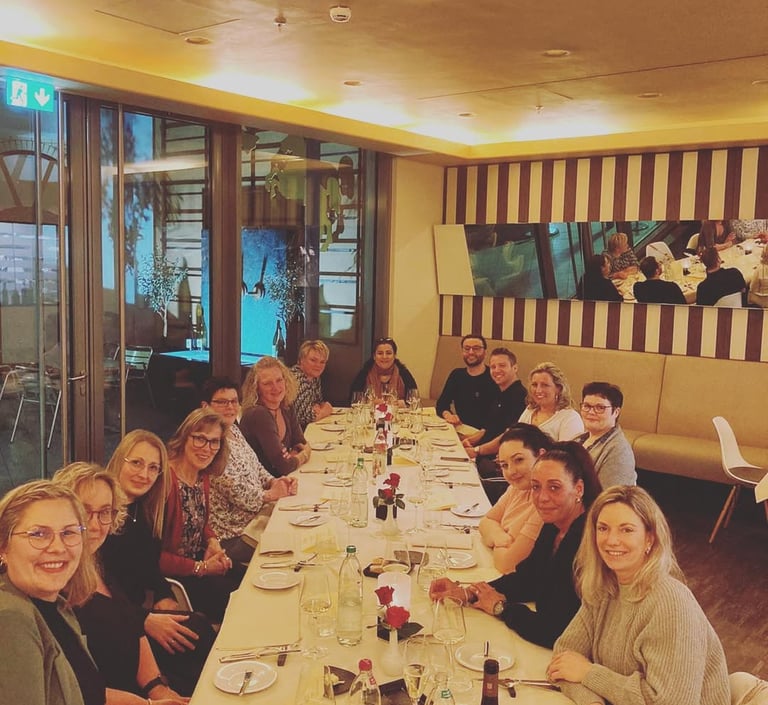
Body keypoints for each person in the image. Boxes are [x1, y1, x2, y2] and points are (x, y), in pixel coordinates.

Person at [548, 485, 730, 705]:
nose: (612, 540)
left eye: (626, 530)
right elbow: (564, 657)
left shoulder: (670, 603)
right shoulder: (604, 588)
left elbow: (671, 702)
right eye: (603, 528)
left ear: (649, 539)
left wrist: (589, 674)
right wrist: (591, 701)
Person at [430, 442, 602, 648]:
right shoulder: (554, 525)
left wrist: (501, 608)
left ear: (579, 489)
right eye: (536, 487)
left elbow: (558, 629)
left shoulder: (589, 540)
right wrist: (470, 593)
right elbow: (527, 578)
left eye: (555, 487)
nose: (542, 497)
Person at [53, 463, 188, 704]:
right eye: (84, 512)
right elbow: (73, 689)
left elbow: (133, 626)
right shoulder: (53, 588)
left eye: (105, 512)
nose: (95, 525)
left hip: (142, 690)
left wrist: (157, 686)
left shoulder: (96, 561)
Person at [102, 430, 215, 696]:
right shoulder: (103, 518)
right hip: (117, 625)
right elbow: (101, 593)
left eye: (153, 468)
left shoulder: (142, 510)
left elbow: (150, 568)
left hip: (137, 614)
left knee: (196, 632)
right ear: (120, 460)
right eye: (137, 463)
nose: (144, 474)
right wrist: (144, 620)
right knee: (196, 636)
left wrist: (164, 597)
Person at [0, 480, 103, 705]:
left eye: (68, 533)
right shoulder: (10, 619)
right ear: (3, 547)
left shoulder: (58, 607)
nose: (58, 547)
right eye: (38, 534)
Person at [201, 376, 298, 564]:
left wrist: (275, 481)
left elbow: (256, 467)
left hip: (255, 520)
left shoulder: (233, 431)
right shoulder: (207, 442)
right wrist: (271, 495)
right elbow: (237, 492)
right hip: (234, 537)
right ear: (205, 406)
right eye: (222, 402)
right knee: (295, 545)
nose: (230, 407)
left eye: (234, 401)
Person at [162, 408, 246, 623]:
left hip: (198, 561)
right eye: (200, 439)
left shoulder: (202, 476)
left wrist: (212, 541)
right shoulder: (165, 483)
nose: (207, 448)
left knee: (251, 578)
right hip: (176, 577)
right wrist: (202, 568)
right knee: (243, 601)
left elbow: (200, 522)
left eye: (214, 442)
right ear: (184, 437)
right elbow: (155, 557)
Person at [478, 424, 553, 574]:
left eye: (518, 460)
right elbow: (486, 522)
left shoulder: (546, 501)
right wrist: (500, 538)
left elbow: (508, 565)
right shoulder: (517, 488)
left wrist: (495, 542)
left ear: (541, 455)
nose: (511, 471)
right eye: (504, 465)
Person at [240, 356, 311, 477]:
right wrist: (304, 455)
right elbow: (284, 466)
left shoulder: (285, 406)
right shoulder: (258, 414)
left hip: (284, 479)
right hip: (265, 485)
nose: (276, 388)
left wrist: (293, 455)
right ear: (256, 388)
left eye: (279, 380)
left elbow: (300, 442)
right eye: (267, 383)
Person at [463, 348, 527, 480]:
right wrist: (468, 441)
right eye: (493, 367)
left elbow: (508, 436)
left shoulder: (519, 396)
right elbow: (487, 429)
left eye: (502, 365)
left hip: (495, 464)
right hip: (482, 457)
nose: (496, 370)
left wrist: (476, 450)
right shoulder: (500, 393)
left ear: (515, 368)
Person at [574, 382, 636, 488]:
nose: (591, 412)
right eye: (587, 406)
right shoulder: (578, 439)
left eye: (600, 408)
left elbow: (610, 499)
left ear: (616, 412)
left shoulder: (619, 451)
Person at [435, 334, 497, 432]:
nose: (471, 352)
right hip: (461, 429)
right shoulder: (456, 375)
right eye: (467, 349)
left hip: (487, 433)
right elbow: (442, 404)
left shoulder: (494, 377)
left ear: (485, 352)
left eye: (476, 348)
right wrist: (448, 415)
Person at [519, 362, 584, 441]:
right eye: (534, 385)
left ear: (558, 388)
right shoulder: (529, 410)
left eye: (545, 385)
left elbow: (567, 452)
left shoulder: (570, 418)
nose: (538, 390)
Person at [349, 336, 418, 403]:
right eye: (380, 353)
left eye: (388, 353)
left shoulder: (404, 373)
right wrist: (369, 403)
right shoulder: (364, 373)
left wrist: (403, 404)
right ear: (374, 356)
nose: (384, 357)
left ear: (394, 356)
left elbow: (414, 398)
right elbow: (353, 400)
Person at [291, 339, 334, 428]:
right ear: (301, 360)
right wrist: (325, 411)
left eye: (322, 362)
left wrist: (318, 408)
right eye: (313, 360)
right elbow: (306, 417)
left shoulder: (314, 377)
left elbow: (319, 402)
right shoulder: (297, 378)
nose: (318, 365)